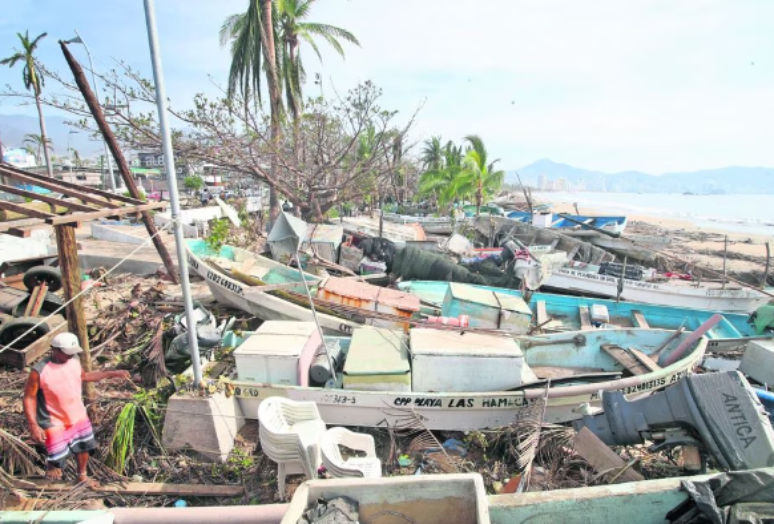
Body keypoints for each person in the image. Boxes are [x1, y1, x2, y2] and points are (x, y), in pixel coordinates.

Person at [23, 332, 130, 487]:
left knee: (83, 446)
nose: (69, 357)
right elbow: (29, 397)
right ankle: (52, 468)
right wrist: (33, 425)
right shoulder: (39, 371)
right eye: (66, 354)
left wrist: (110, 374)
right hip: (53, 418)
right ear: (55, 350)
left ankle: (82, 475)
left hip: (77, 415)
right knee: (55, 452)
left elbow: (84, 376)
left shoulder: (74, 360)